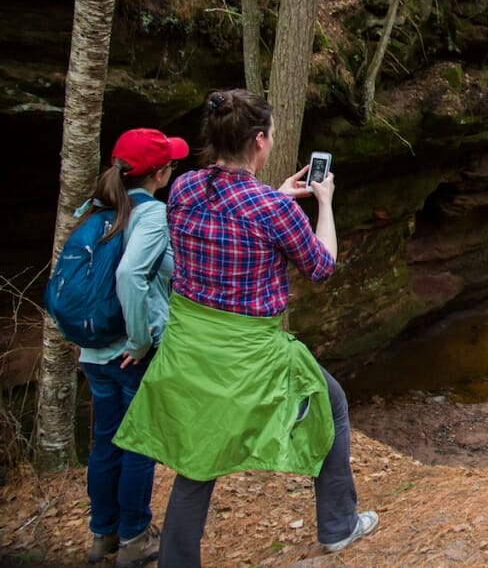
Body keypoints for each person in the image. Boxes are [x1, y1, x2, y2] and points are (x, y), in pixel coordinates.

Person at [114, 89, 378, 567]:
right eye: (271, 134)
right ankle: (338, 525)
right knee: (332, 404)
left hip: (191, 349)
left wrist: (273, 196)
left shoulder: (185, 187)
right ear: (259, 140)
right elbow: (321, 266)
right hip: (248, 353)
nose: (272, 140)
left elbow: (227, 218)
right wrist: (324, 203)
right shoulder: (271, 211)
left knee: (198, 461)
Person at [81, 128, 189, 567]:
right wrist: (142, 341)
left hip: (95, 351)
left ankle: (102, 536)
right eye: (171, 164)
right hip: (131, 353)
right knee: (139, 443)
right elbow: (130, 277)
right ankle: (135, 538)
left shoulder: (93, 209)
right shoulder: (151, 216)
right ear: (159, 173)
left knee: (105, 442)